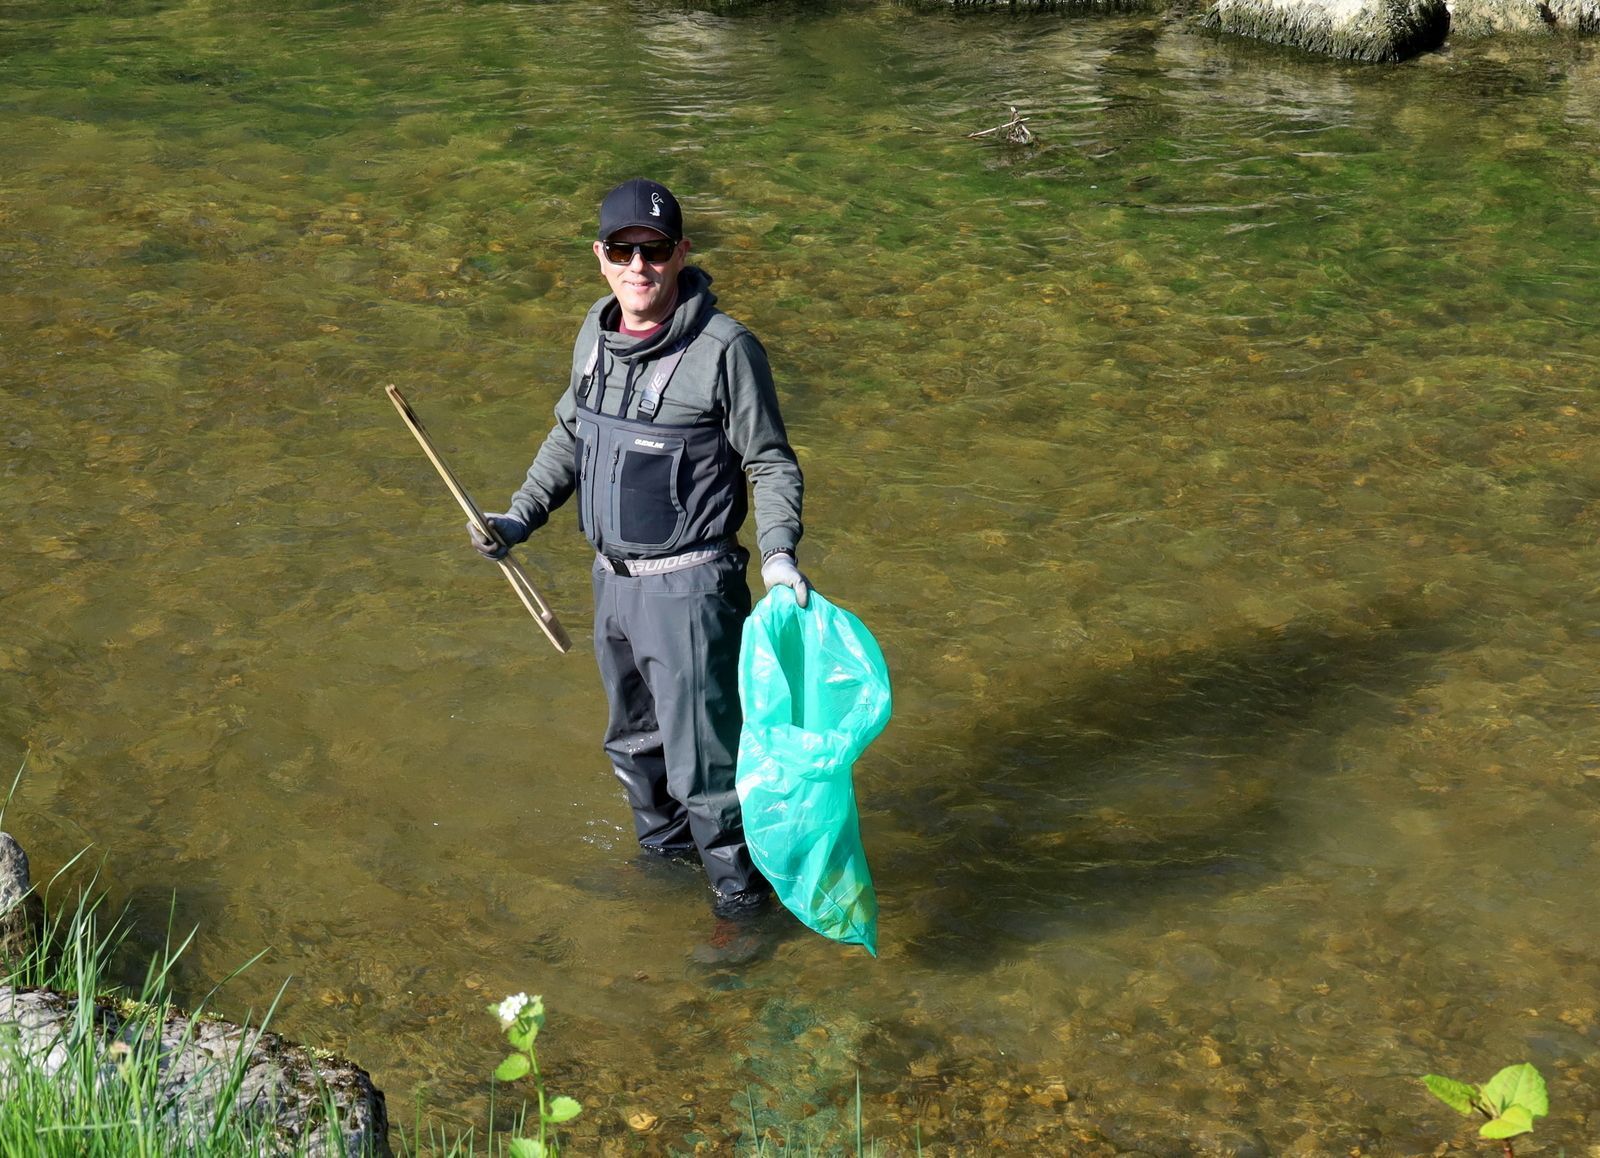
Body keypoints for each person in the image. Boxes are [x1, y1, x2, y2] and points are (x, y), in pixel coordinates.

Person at [469, 178, 809, 922]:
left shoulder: (726, 350)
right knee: (633, 748)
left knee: (706, 769)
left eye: (653, 251)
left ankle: (743, 913)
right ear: (600, 256)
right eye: (622, 250)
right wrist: (519, 517)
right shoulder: (593, 335)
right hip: (613, 585)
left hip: (691, 590)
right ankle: (666, 875)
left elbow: (770, 463)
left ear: (680, 253)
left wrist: (778, 556)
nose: (638, 267)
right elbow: (571, 434)